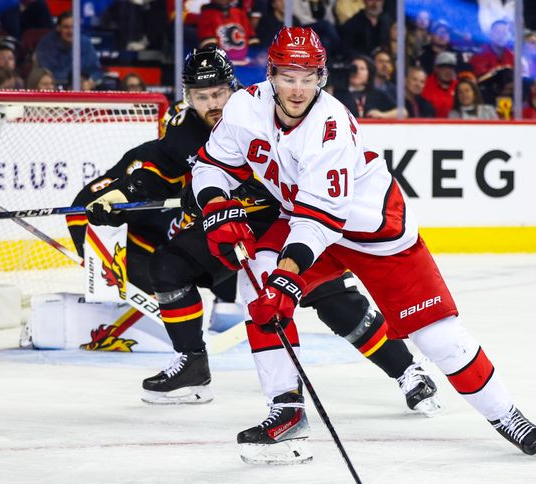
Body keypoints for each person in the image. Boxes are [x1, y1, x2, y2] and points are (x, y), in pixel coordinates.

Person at [190, 27, 536, 464]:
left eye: (308, 76)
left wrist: (288, 278)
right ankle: (286, 410)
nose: (298, 88)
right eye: (288, 76)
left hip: (373, 231)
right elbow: (210, 166)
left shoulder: (331, 126)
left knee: (440, 338)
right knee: (258, 288)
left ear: (321, 77)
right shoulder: (246, 107)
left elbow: (320, 221)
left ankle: (505, 414)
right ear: (270, 74)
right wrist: (215, 207)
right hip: (304, 220)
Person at [79, 46, 442, 414]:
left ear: (233, 87)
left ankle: (407, 371)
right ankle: (193, 364)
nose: (213, 103)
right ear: (189, 98)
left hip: (286, 223)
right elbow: (158, 168)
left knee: (333, 301)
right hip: (230, 230)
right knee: (169, 267)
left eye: (219, 92)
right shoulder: (183, 128)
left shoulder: (258, 110)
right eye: (202, 97)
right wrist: (122, 194)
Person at [33, 11, 103, 88]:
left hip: (80, 90)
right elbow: (45, 74)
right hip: (54, 90)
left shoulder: (85, 43)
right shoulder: (46, 45)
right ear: (58, 28)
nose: (70, 31)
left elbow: (96, 71)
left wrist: (90, 81)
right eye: (66, 27)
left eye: (73, 27)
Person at [421, 50, 458, 118]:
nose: (448, 71)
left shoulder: (458, 86)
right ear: (436, 69)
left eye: (451, 68)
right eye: (444, 68)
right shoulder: (425, 84)